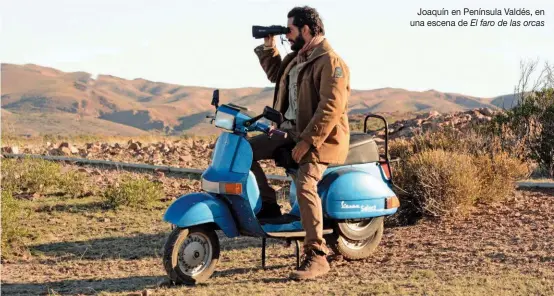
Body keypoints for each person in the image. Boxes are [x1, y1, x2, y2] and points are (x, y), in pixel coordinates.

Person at [249, 6, 351, 280]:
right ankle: (269, 206)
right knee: (243, 151)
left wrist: (308, 141)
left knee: (305, 182)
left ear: (306, 30)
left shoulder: (330, 62)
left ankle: (317, 255)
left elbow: (331, 107)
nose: (287, 36)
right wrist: (269, 48)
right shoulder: (296, 59)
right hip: (290, 132)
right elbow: (276, 76)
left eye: (290, 30)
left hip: (321, 138)